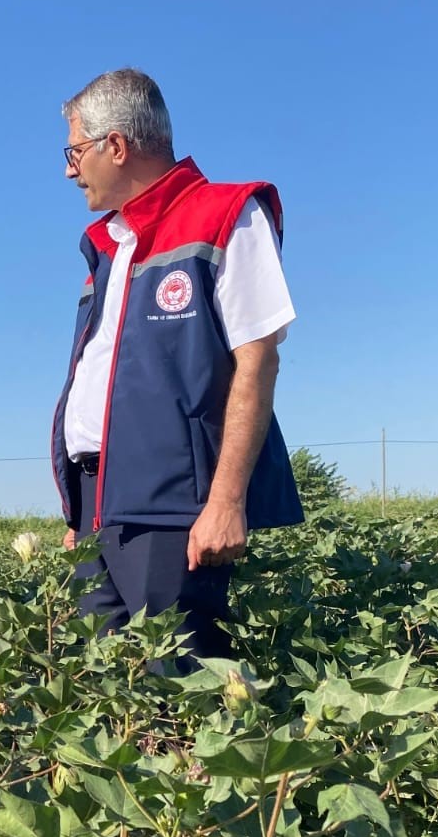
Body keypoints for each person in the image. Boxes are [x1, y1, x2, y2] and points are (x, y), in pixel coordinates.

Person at [51, 69, 302, 660]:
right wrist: (82, 509)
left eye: (75, 151)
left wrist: (226, 501)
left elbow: (258, 361)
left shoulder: (226, 214)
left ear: (116, 145)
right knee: (109, 694)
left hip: (174, 509)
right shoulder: (109, 246)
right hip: (100, 508)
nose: (69, 169)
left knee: (179, 685)